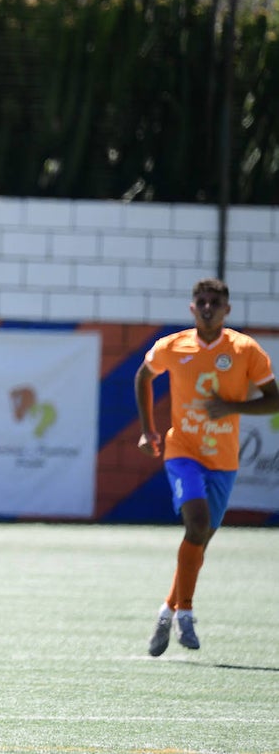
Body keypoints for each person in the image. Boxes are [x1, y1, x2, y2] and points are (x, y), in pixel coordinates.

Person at [135, 277, 278, 657]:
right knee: (196, 525)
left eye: (215, 301)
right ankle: (185, 612)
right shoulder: (174, 345)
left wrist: (233, 407)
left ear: (227, 310)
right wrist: (149, 430)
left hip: (224, 460)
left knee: (199, 542)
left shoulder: (245, 350)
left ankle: (166, 611)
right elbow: (143, 377)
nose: (208, 306)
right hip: (182, 450)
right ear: (192, 307)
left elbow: (273, 400)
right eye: (201, 301)